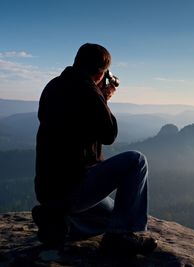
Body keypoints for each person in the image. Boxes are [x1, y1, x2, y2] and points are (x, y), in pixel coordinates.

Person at [32, 43, 157, 255]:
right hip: (74, 186)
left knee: (113, 217)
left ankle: (58, 221)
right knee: (137, 161)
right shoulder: (88, 90)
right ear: (100, 74)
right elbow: (109, 134)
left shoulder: (53, 86)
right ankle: (119, 238)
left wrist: (98, 96)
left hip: (48, 190)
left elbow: (72, 123)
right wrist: (103, 99)